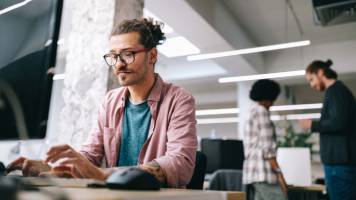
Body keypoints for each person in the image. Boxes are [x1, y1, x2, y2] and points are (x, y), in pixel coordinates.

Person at [6, 18, 198, 188]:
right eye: (114, 56)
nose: (119, 64)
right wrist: (51, 165)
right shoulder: (110, 101)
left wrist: (103, 174)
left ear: (152, 56)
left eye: (128, 54)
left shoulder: (179, 100)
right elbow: (91, 155)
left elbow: (180, 163)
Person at [299, 59, 356, 200]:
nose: (311, 85)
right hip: (338, 163)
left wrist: (311, 125)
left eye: (312, 79)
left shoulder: (336, 91)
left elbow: (338, 122)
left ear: (320, 72)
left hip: (340, 164)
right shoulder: (335, 91)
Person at [242, 79, 287, 200]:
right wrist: (279, 174)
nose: (273, 103)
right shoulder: (261, 111)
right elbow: (268, 148)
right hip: (263, 172)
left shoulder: (251, 111)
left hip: (254, 172)